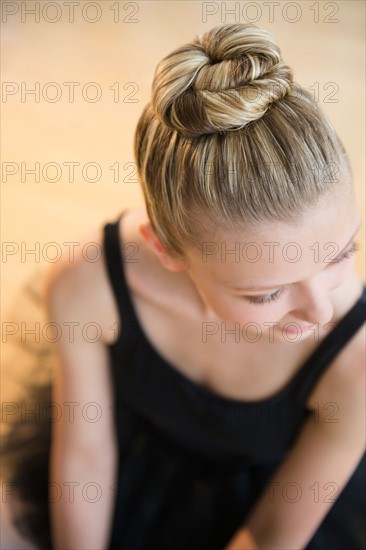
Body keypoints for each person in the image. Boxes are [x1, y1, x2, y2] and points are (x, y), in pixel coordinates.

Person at [1, 23, 365, 550]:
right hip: (128, 457)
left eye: (341, 255)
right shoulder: (90, 284)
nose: (320, 310)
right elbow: (84, 456)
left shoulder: (353, 359)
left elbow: (269, 536)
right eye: (267, 293)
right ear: (166, 251)